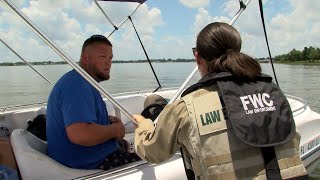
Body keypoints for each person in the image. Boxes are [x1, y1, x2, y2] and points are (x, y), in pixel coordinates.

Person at [133, 22, 308, 179]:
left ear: (197, 57)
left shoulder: (186, 107)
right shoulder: (273, 92)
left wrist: (144, 125)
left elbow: (152, 152)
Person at [46, 34, 140, 170]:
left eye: (110, 58)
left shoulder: (82, 81)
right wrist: (115, 130)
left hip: (87, 157)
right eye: (103, 57)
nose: (108, 63)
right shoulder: (77, 85)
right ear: (85, 58)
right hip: (91, 163)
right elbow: (80, 134)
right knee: (161, 162)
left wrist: (104, 120)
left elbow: (78, 121)